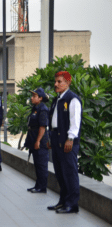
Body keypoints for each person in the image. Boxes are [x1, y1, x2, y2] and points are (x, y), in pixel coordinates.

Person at [47, 71, 82, 214]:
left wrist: (71, 138)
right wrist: (50, 138)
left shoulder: (72, 99)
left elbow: (75, 121)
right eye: (55, 81)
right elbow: (53, 121)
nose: (56, 84)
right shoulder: (57, 99)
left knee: (70, 173)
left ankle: (72, 204)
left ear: (68, 82)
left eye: (59, 81)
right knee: (60, 173)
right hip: (56, 139)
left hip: (67, 141)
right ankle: (63, 202)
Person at [24, 88, 49, 193]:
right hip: (33, 138)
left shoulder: (42, 109)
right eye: (32, 96)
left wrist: (38, 141)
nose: (32, 98)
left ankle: (42, 187)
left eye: (34, 96)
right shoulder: (35, 107)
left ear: (40, 98)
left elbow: (42, 127)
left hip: (40, 141)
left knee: (41, 165)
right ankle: (38, 185)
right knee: (37, 164)